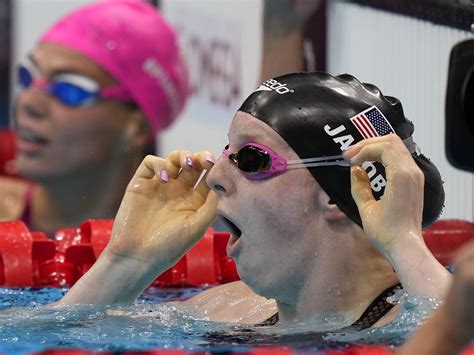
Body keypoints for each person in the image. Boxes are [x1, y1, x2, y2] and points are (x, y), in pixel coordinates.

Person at [56, 72, 452, 330]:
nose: (214, 177)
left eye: (251, 159)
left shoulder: (410, 328)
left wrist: (404, 241)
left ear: (338, 193)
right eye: (226, 151)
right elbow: (43, 337)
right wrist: (126, 265)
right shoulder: (227, 311)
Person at [0, 0, 189, 236]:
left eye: (69, 90)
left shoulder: (179, 250)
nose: (29, 102)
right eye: (27, 76)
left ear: (136, 126)